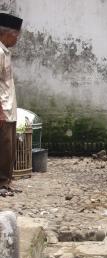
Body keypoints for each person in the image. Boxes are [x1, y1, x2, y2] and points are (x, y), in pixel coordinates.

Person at [0, 12, 23, 197]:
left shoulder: (5, 51)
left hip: (9, 107)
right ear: (7, 33)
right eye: (16, 34)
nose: (17, 38)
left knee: (9, 148)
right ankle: (1, 183)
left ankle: (6, 182)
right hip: (2, 109)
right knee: (3, 147)